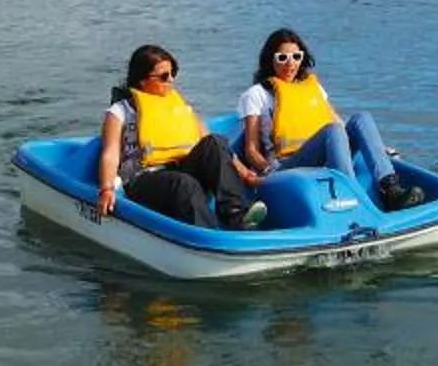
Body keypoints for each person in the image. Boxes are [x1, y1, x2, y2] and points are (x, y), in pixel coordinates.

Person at [95, 45, 257, 228]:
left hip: (180, 170)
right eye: (164, 76)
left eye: (173, 74)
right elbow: (110, 153)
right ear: (142, 80)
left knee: (215, 142)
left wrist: (246, 173)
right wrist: (106, 189)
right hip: (143, 180)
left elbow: (214, 147)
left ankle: (235, 213)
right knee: (185, 184)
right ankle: (207, 236)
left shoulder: (181, 108)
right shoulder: (120, 112)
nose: (171, 80)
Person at [233, 29, 402, 202]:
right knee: (333, 131)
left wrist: (380, 148)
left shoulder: (313, 89)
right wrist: (268, 172)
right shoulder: (256, 95)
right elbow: (251, 150)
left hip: (325, 152)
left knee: (361, 118)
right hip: (287, 164)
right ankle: (349, 192)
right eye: (282, 58)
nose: (290, 64)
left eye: (296, 57)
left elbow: (339, 124)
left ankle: (390, 187)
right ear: (270, 60)